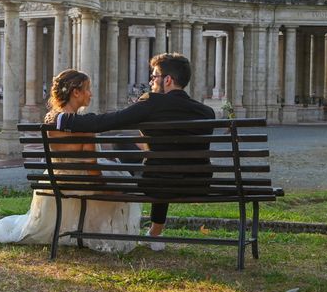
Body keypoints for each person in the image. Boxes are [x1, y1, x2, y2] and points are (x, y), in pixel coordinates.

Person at [56, 53, 215, 242]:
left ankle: (151, 230)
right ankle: (155, 232)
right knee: (161, 160)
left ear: (168, 80)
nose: (151, 82)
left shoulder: (152, 101)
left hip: (158, 184)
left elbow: (108, 121)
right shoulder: (207, 112)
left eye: (155, 76)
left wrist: (62, 118)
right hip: (196, 185)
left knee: (131, 149)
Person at [0, 69, 141, 252]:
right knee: (120, 183)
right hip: (82, 183)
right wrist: (109, 189)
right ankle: (100, 233)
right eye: (88, 89)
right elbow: (93, 172)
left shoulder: (50, 119)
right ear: (76, 92)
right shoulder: (84, 127)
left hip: (55, 180)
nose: (91, 93)